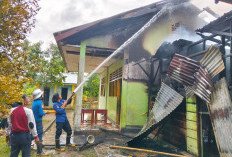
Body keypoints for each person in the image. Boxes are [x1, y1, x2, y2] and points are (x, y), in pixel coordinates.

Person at [32, 89, 48, 156]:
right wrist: (45, 113)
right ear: (39, 95)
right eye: (42, 94)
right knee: (40, 134)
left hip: (33, 120)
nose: (43, 95)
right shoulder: (40, 102)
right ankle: (39, 151)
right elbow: (40, 113)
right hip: (38, 121)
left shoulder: (34, 102)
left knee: (34, 134)